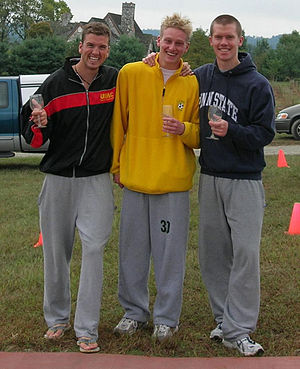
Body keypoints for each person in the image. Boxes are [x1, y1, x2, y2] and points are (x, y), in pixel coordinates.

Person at [22, 22, 118, 353]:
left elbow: (146, 81)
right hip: (58, 179)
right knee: (56, 252)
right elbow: (32, 132)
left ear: (108, 50)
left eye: (102, 47)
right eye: (91, 45)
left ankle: (87, 328)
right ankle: (57, 319)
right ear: (80, 46)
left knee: (93, 250)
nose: (96, 52)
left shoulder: (114, 80)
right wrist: (38, 122)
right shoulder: (55, 83)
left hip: (96, 179)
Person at [110, 13, 199, 342]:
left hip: (173, 184)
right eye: (167, 40)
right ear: (157, 40)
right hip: (135, 179)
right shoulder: (131, 73)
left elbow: (199, 135)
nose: (172, 47)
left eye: (179, 43)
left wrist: (184, 129)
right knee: (131, 251)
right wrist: (117, 166)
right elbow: (118, 121)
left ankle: (166, 318)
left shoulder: (192, 80)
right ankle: (133, 312)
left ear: (186, 47)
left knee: (169, 254)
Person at [193, 15, 275, 356]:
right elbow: (170, 76)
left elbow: (265, 133)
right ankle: (224, 318)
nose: (224, 43)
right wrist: (154, 60)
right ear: (210, 40)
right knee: (213, 255)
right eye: (218, 37)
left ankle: (239, 329)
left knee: (244, 254)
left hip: (244, 179)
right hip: (210, 175)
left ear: (240, 40)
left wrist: (234, 132)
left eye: (230, 37)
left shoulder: (257, 84)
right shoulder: (201, 76)